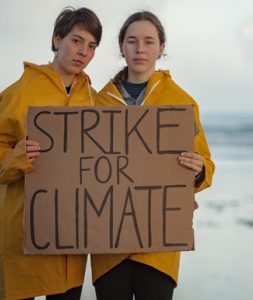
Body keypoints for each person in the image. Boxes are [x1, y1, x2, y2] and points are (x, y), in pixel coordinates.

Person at [91, 11, 215, 300]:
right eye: (132, 41)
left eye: (148, 41)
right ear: (122, 46)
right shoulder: (96, 103)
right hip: (109, 247)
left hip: (159, 247)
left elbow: (206, 164)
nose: (140, 49)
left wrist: (198, 170)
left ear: (161, 47)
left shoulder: (181, 102)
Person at [0, 7, 102, 300]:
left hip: (71, 233)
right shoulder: (20, 91)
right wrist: (19, 155)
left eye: (92, 46)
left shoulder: (93, 100)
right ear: (57, 40)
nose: (83, 51)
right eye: (77, 40)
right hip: (24, 229)